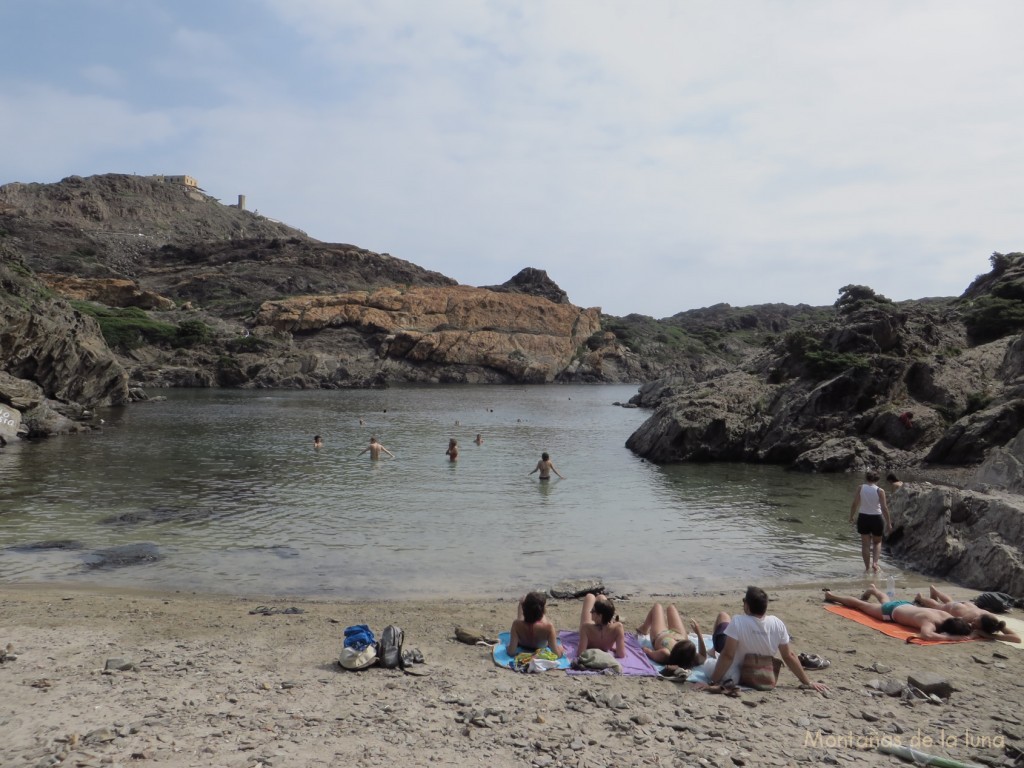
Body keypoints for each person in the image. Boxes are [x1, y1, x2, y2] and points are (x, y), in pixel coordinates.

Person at [708, 586, 829, 692]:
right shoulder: (777, 624)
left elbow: (728, 655)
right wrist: (808, 682)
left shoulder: (738, 621)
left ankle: (713, 649)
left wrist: (711, 682)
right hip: (761, 675)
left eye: (744, 601)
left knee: (723, 616)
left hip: (735, 675)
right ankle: (714, 649)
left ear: (747, 606)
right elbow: (789, 656)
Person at [823, 586, 973, 641]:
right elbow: (927, 635)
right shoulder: (930, 623)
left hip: (906, 605)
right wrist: (950, 638)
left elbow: (968, 624)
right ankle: (832, 597)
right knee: (861, 605)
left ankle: (873, 589)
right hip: (891, 612)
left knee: (885, 600)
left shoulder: (949, 617)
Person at [913, 586, 1022, 642]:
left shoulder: (993, 621)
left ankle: (935, 591)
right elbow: (953, 627)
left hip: (967, 605)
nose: (973, 623)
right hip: (956, 609)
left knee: (950, 601)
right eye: (975, 621)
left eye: (975, 623)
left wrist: (990, 636)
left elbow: (1017, 638)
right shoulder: (968, 619)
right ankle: (921, 598)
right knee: (938, 606)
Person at [636, 603, 711, 668]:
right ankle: (644, 627)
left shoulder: (665, 654)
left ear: (677, 648)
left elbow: (648, 652)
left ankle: (644, 628)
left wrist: (645, 649)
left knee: (657, 607)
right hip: (679, 634)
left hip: (661, 634)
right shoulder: (693, 658)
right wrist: (699, 634)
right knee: (671, 608)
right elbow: (703, 656)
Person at [849, 471, 892, 573]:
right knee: (877, 542)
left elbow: (855, 503)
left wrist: (851, 516)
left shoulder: (861, 488)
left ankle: (867, 568)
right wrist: (889, 523)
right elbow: (884, 508)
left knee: (865, 544)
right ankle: (875, 563)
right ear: (877, 480)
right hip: (876, 518)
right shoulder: (880, 490)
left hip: (863, 517)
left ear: (866, 478)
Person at [508, 592, 564, 657]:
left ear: (524, 609)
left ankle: (525, 605)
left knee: (528, 609)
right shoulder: (548, 627)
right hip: (540, 645)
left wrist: (507, 648)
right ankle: (534, 608)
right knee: (537, 610)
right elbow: (557, 654)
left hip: (523, 644)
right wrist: (561, 650)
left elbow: (511, 652)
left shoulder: (516, 624)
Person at [577, 593, 626, 658]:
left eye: (593, 610)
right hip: (607, 629)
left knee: (590, 596)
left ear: (599, 616)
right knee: (602, 597)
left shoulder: (586, 627)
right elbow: (621, 654)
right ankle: (607, 616)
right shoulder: (618, 627)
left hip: (592, 630)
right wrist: (616, 649)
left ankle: (604, 616)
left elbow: (581, 654)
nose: (590, 612)